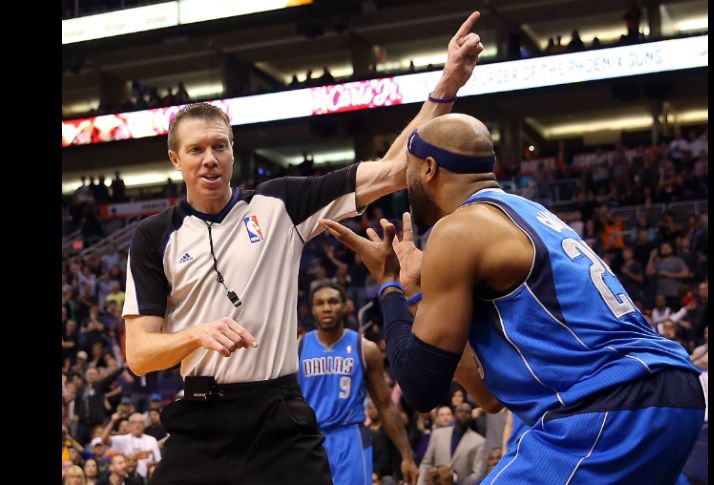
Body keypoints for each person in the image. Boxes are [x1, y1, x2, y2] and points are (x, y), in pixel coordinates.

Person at [122, 12, 484, 484]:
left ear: (234, 150)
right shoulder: (154, 236)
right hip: (201, 420)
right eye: (196, 150)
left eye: (220, 146)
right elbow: (140, 354)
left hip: (278, 417)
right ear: (176, 158)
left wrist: (447, 83)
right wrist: (196, 334)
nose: (210, 159)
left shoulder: (280, 203)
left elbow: (395, 169)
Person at [320, 113, 705, 484]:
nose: (404, 184)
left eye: (408, 169)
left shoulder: (458, 229)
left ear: (429, 169)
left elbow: (420, 388)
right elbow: (489, 397)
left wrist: (387, 285)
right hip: (667, 393)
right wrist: (415, 292)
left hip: (612, 403)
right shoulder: (529, 213)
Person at [298, 282, 418, 484]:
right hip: (310, 438)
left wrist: (407, 455)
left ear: (345, 306)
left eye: (333, 301)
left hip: (350, 436)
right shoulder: (298, 347)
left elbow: (385, 405)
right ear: (312, 309)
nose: (327, 307)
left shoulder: (365, 349)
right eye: (320, 303)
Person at [417, 402, 486, 485]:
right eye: (460, 411)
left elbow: (478, 473)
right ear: (454, 414)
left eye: (467, 412)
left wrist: (455, 478)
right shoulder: (437, 434)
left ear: (471, 416)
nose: (464, 414)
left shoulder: (479, 441)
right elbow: (426, 464)